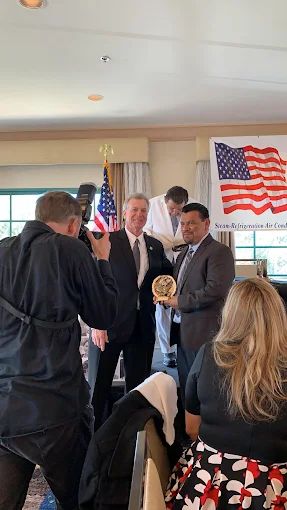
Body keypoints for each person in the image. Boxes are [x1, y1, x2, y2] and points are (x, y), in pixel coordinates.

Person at [0, 191, 118, 510]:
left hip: (6, 405)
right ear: (73, 225)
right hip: (56, 407)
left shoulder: (2, 250)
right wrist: (103, 260)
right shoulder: (69, 249)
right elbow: (103, 315)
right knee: (78, 499)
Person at [165, 278, 287, 509]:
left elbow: (192, 428)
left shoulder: (209, 354)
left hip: (209, 483)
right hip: (276, 486)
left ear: (230, 313)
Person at [88, 193, 172, 431]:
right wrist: (97, 323)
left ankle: (130, 433)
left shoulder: (155, 246)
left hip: (142, 327)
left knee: (138, 387)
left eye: (143, 211)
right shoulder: (106, 241)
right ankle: (96, 434)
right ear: (124, 213)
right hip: (108, 325)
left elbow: (165, 278)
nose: (139, 215)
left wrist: (168, 295)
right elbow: (94, 283)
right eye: (134, 210)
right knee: (99, 385)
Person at [162, 203, 235, 399]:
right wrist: (164, 298)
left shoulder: (219, 251)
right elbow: (178, 288)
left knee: (206, 392)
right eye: (183, 223)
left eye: (192, 223)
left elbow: (215, 290)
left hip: (205, 336)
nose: (185, 228)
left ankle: (205, 430)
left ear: (207, 224)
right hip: (183, 335)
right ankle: (189, 429)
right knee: (187, 390)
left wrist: (180, 301)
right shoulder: (184, 253)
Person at [144, 186, 194, 368]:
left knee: (184, 302)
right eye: (171, 209)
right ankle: (167, 351)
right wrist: (162, 242)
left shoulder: (195, 206)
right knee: (163, 304)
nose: (174, 213)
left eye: (178, 210)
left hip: (185, 259)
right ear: (165, 201)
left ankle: (185, 346)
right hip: (161, 259)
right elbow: (146, 232)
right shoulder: (152, 205)